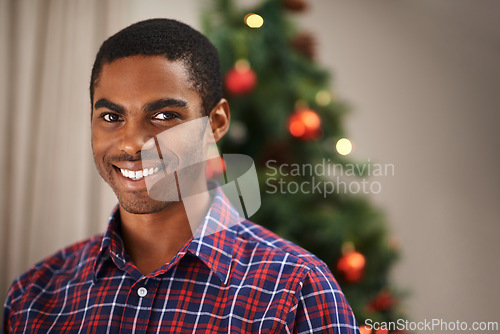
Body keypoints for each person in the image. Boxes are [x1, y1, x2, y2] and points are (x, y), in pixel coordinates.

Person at [3, 19, 360, 333]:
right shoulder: (35, 296)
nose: (133, 144)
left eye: (163, 116)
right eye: (112, 117)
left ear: (216, 123)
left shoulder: (296, 290)